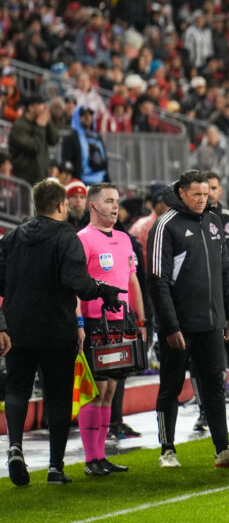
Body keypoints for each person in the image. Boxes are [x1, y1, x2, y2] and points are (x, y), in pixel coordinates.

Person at [1, 180, 123, 486]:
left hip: (18, 328)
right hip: (57, 329)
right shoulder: (65, 236)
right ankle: (56, 467)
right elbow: (77, 282)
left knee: (17, 389)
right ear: (60, 205)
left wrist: (2, 324)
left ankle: (15, 446)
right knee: (57, 395)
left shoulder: (12, 237)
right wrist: (104, 291)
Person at [147, 170, 229, 469]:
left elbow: (225, 271)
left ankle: (223, 448)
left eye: (206, 193)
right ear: (182, 193)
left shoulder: (213, 222)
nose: (204, 199)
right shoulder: (165, 226)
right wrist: (170, 326)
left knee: (214, 384)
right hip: (180, 327)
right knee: (171, 386)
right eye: (197, 194)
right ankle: (167, 449)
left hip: (211, 323)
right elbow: (157, 280)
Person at [76, 183, 147, 476]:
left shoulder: (124, 239)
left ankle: (101, 455)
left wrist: (140, 320)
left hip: (121, 321)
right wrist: (79, 322)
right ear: (93, 206)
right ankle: (91, 458)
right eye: (108, 201)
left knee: (111, 390)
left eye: (116, 201)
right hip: (95, 322)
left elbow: (132, 282)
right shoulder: (82, 239)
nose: (115, 206)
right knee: (97, 390)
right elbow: (76, 287)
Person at [205, 171, 229, 424]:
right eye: (204, 188)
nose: (209, 193)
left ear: (220, 191)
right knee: (209, 364)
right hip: (207, 303)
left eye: (213, 188)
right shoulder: (193, 222)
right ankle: (205, 413)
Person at [8, 94, 59, 186]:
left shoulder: (41, 122)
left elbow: (54, 139)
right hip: (24, 178)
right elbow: (34, 147)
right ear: (31, 107)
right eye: (40, 104)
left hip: (41, 176)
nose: (44, 107)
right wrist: (40, 127)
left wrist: (48, 122)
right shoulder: (19, 126)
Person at [61, 106, 109, 185]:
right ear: (77, 117)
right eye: (83, 115)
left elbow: (103, 159)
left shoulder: (97, 136)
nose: (87, 118)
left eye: (89, 115)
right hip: (82, 182)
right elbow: (67, 162)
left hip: (101, 181)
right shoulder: (71, 138)